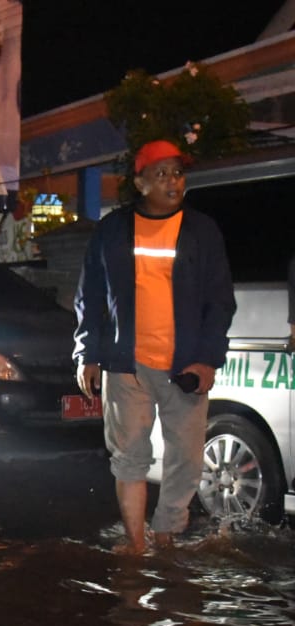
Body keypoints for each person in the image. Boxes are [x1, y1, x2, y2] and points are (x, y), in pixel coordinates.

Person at [74, 139, 236, 554]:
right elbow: (90, 295)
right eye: (161, 174)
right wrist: (87, 354)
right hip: (126, 365)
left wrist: (207, 360)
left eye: (178, 173)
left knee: (187, 459)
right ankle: (136, 545)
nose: (172, 182)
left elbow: (220, 301)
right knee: (129, 457)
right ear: (140, 182)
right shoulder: (112, 230)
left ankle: (165, 537)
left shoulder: (202, 231)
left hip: (184, 366)